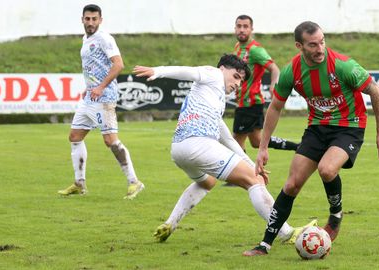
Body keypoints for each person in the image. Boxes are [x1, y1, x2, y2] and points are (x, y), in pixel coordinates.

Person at [243, 21, 379, 256]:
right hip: (316, 128)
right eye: (313, 45)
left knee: (327, 169)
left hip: (348, 127)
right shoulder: (292, 70)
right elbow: (275, 108)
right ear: (299, 46)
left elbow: (375, 90)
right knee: (292, 184)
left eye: (322, 42)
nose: (320, 48)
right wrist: (262, 147)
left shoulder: (342, 65)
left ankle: (336, 214)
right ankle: (264, 244)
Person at [132, 54, 315, 243]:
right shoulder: (213, 74)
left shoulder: (213, 99)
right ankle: (287, 233)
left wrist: (252, 164)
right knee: (254, 181)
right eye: (236, 76)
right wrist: (158, 71)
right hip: (199, 144)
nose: (238, 83)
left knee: (207, 182)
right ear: (222, 69)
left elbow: (227, 138)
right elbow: (188, 71)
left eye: (241, 81)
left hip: (179, 150)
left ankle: (170, 223)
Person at [58, 4, 144, 200]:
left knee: (110, 141)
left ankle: (134, 182)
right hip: (90, 98)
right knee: (75, 136)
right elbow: (93, 67)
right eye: (87, 19)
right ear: (82, 19)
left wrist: (100, 87)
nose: (90, 22)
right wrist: (89, 87)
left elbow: (119, 64)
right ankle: (79, 184)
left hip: (104, 98)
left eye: (94, 19)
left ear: (100, 20)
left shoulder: (105, 38)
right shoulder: (85, 39)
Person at [233, 15, 298, 152]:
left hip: (249, 102)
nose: (242, 30)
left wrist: (274, 85)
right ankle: (298, 147)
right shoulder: (238, 47)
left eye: (245, 27)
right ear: (235, 29)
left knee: (235, 144)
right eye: (239, 26)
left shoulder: (255, 50)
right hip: (247, 102)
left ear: (251, 29)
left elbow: (274, 68)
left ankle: (245, 173)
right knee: (257, 141)